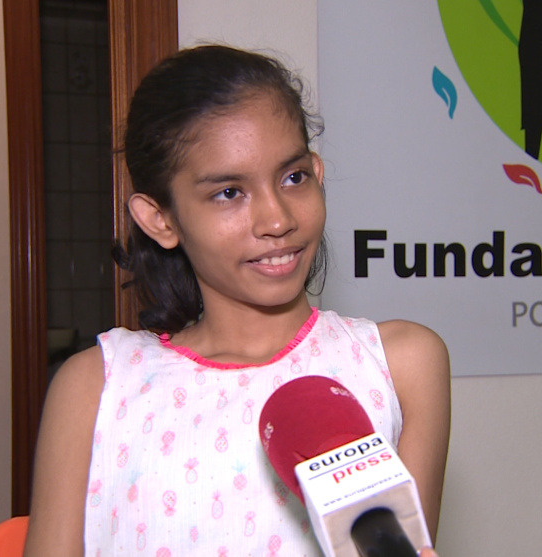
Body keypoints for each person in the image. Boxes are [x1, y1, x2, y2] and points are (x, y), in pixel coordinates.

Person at [23, 44, 451, 556]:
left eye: (293, 177)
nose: (277, 219)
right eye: (229, 192)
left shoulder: (399, 364)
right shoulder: (96, 386)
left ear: (317, 174)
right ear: (159, 219)